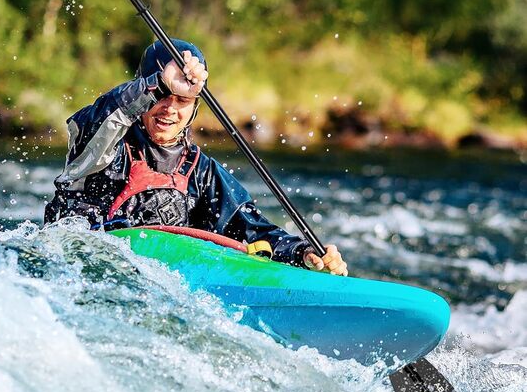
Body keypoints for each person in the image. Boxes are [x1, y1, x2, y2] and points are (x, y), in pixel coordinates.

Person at [44, 39, 347, 275]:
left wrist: (303, 252)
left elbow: (253, 231)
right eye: (162, 97)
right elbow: (94, 121)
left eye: (182, 100)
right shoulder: (103, 146)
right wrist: (160, 82)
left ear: (195, 107)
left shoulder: (202, 172)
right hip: (82, 269)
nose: (169, 108)